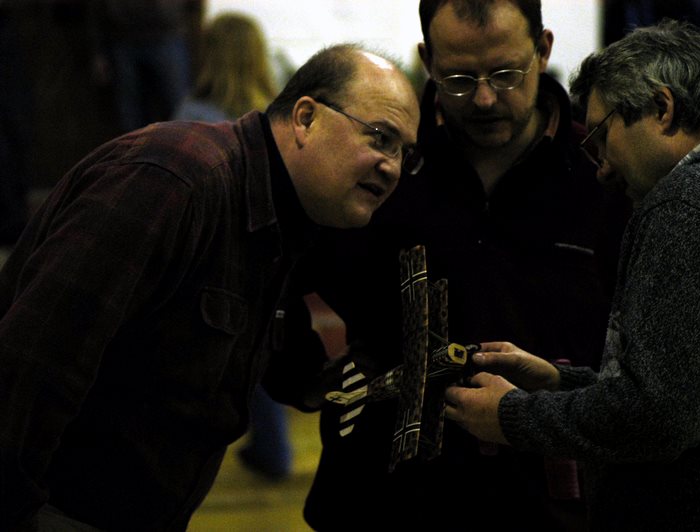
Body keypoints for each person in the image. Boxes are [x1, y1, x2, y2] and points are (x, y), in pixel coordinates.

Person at [0, 43, 420, 531]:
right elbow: (31, 365)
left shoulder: (286, 220)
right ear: (306, 118)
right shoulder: (173, 180)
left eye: (403, 153)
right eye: (380, 137)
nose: (392, 167)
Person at [281, 1, 630, 530]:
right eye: (460, 78)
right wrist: (296, 371)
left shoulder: (604, 172)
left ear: (544, 49)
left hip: (551, 501)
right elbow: (275, 270)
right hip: (381, 495)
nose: (486, 98)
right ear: (427, 60)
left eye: (506, 74)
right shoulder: (381, 160)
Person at [444, 19, 700, 531]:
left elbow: (658, 419)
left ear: (662, 108)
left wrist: (512, 416)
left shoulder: (688, 207)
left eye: (602, 136)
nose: (601, 168)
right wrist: (560, 382)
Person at [171, 11, 292, 482]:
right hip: (274, 259)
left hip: (211, 262)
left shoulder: (193, 114)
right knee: (257, 363)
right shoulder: (284, 115)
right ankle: (275, 452)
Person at [88, 0, 200, 133]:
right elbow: (95, 8)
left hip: (166, 36)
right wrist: (98, 51)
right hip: (122, 39)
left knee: (180, 112)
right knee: (131, 118)